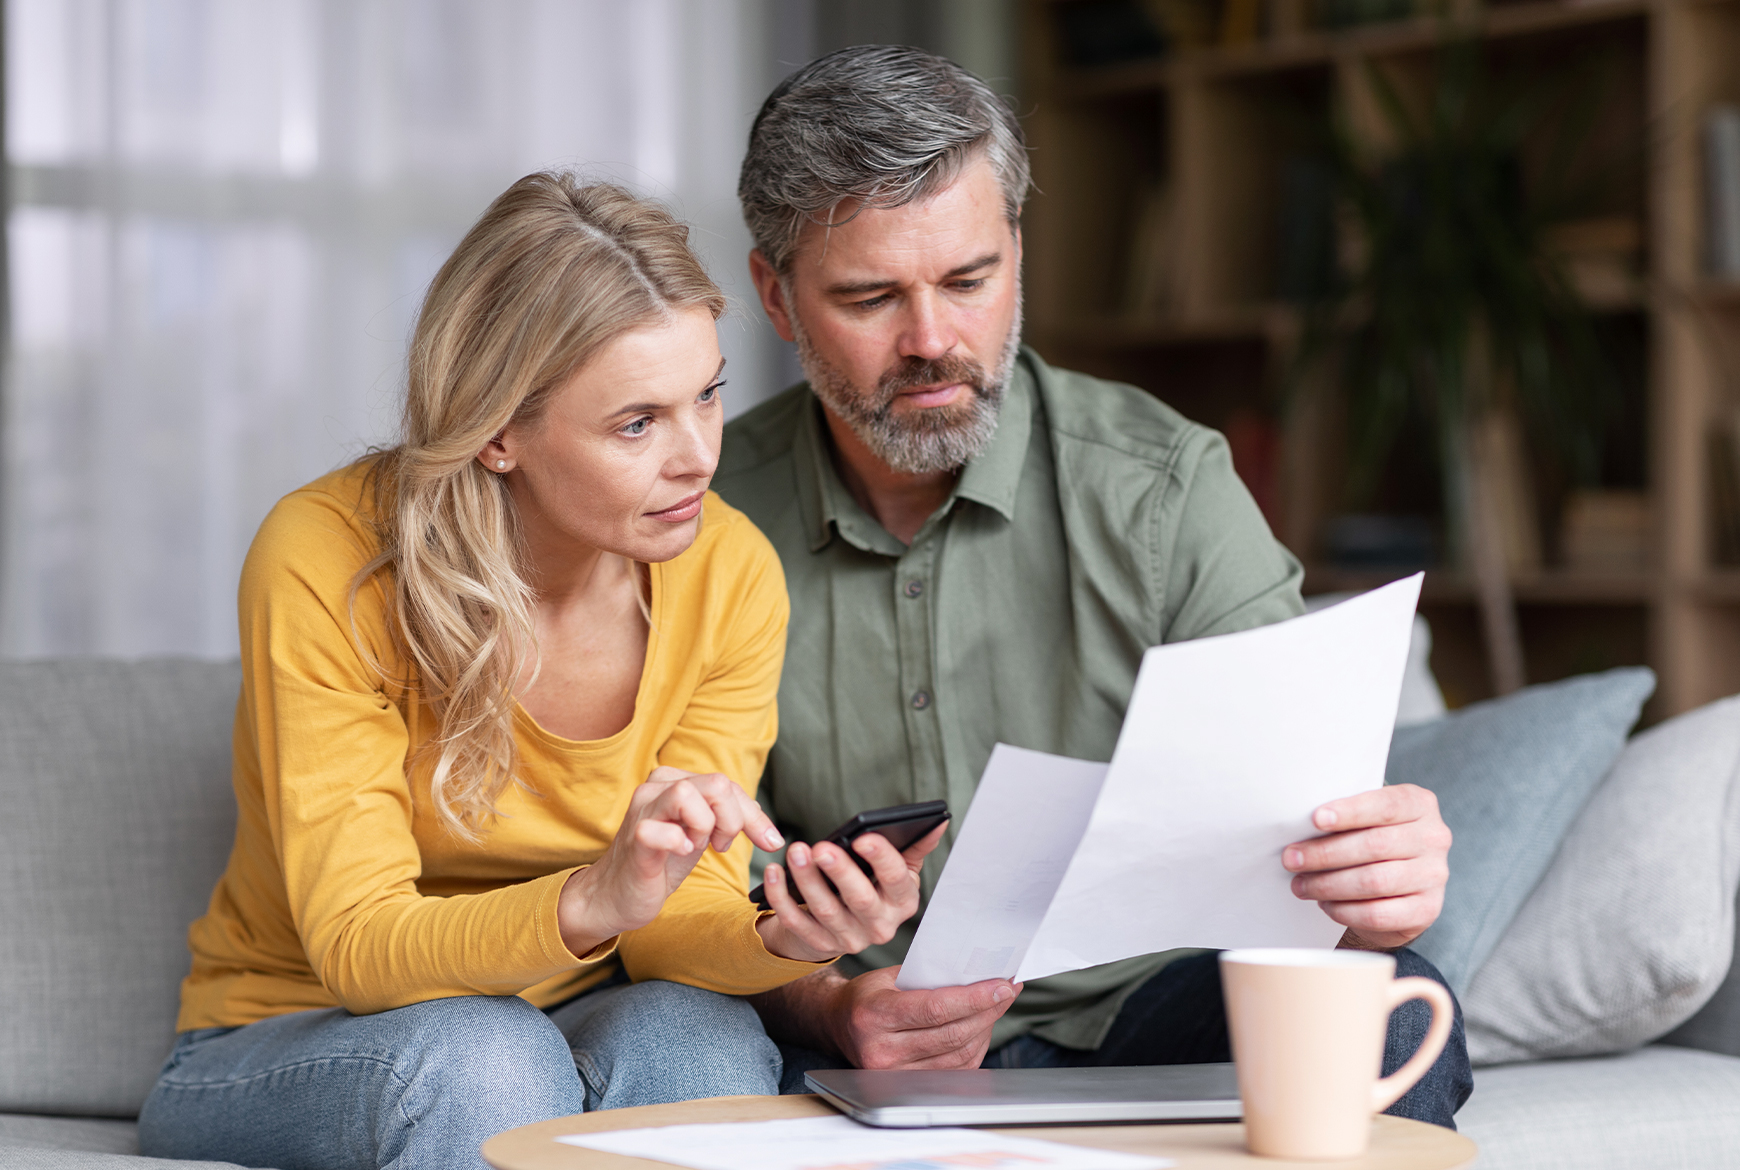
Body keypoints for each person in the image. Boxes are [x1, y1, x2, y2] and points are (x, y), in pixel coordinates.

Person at [714, 46, 1472, 1125]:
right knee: (688, 1045)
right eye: (871, 295)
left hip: (1144, 1004)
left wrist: (1375, 892)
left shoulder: (1165, 487)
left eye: (969, 281)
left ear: (1017, 251)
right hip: (835, 1030)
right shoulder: (698, 521)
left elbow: (1304, 840)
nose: (933, 341)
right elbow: (671, 893)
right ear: (775, 298)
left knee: (1392, 1007)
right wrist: (830, 1008)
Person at [138, 174, 926, 1170]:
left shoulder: (729, 571)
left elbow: (677, 923)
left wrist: (792, 934)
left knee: (708, 1040)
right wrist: (595, 896)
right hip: (296, 1031)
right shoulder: (327, 556)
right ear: (500, 432)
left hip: (574, 1020)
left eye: (710, 394)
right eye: (637, 423)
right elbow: (360, 944)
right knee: (489, 1057)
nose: (699, 458)